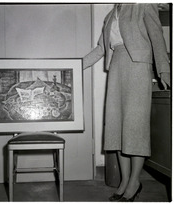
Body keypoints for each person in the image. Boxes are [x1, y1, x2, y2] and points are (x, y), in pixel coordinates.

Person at [83, 3, 170, 202]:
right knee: (117, 127)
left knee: (135, 126)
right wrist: (74, 66)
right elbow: (100, 48)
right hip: (116, 67)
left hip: (138, 66)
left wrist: (164, 70)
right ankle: (124, 181)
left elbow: (157, 37)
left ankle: (134, 181)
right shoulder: (110, 15)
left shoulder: (143, 6)